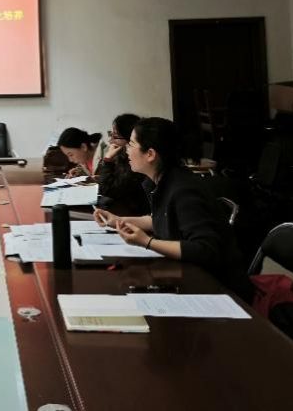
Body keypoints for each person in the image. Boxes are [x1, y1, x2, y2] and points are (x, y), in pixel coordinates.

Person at [93, 117, 253, 300]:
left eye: (131, 144)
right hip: (186, 273)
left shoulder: (184, 190)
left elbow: (204, 249)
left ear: (150, 154)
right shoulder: (161, 180)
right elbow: (160, 218)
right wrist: (118, 220)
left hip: (215, 289)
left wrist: (146, 242)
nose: (126, 150)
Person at [93, 113, 150, 216]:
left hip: (134, 214)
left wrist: (107, 160)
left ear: (130, 139)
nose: (110, 141)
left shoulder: (135, 163)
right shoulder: (121, 156)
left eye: (115, 136)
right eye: (111, 135)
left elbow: (107, 190)